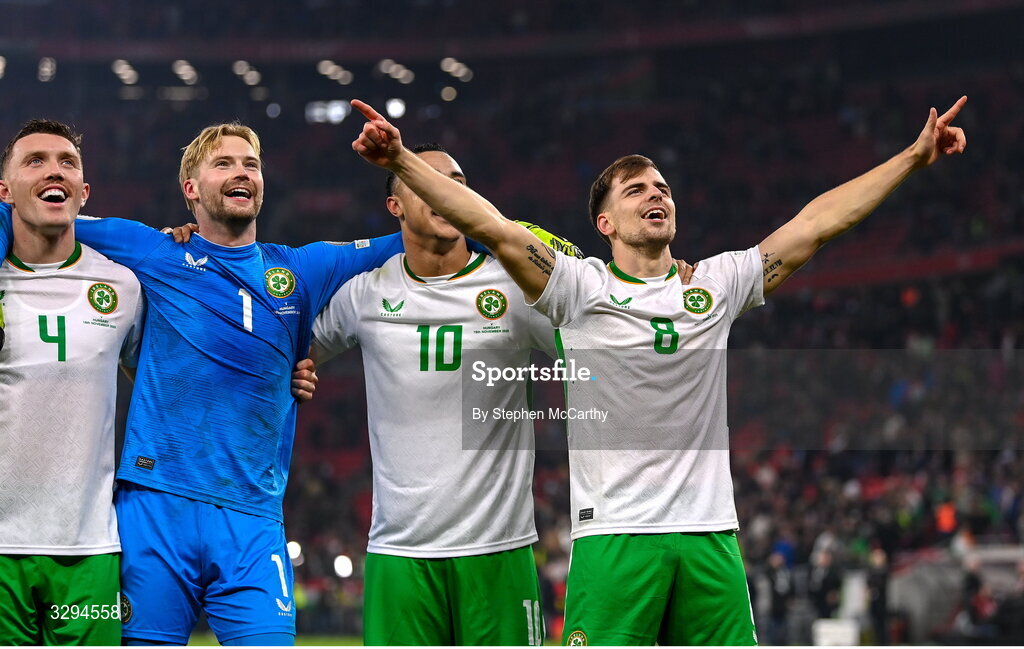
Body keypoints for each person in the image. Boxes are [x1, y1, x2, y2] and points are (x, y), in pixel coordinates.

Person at [347, 95, 967, 645]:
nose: (657, 195)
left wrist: (911, 159)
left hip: (709, 536)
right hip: (616, 537)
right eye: (637, 189)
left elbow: (816, 225)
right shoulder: (576, 289)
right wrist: (402, 161)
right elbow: (490, 226)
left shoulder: (717, 285)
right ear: (605, 223)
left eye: (663, 187)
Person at [0, 122, 404, 645]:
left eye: (251, 164)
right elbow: (29, 213)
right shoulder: (153, 253)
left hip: (252, 518)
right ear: (190, 190)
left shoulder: (305, 268)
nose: (241, 172)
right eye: (224, 163)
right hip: (153, 509)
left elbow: (420, 232)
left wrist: (500, 229)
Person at [0, 119, 143, 645]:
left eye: (66, 162)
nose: (52, 170)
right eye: (33, 161)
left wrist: (284, 370)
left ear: (83, 193)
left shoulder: (123, 286)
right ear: (4, 190)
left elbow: (164, 378)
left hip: (89, 552)